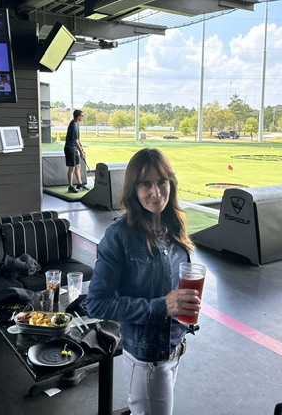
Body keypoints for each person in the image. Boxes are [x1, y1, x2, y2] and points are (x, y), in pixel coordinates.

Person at [86, 148, 200, 415]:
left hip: (174, 346)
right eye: (145, 184)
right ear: (133, 189)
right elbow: (97, 304)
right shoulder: (119, 236)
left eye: (162, 182)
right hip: (148, 358)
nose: (156, 192)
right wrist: (162, 306)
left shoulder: (174, 227)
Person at [64, 109, 87, 193]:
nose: (83, 117)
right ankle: (70, 186)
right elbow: (75, 140)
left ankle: (79, 184)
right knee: (72, 168)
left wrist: (81, 148)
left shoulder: (77, 124)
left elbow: (78, 139)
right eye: (82, 116)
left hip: (74, 148)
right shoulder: (73, 126)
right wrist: (80, 152)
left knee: (78, 166)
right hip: (69, 148)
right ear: (78, 117)